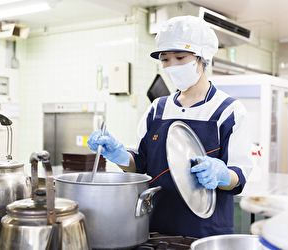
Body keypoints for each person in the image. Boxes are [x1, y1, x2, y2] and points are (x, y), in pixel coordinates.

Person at [88, 15, 253, 238]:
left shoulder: (228, 111)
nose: (172, 65)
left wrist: (221, 174)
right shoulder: (158, 109)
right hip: (155, 228)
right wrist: (119, 155)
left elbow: (238, 176)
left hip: (205, 232)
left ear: (202, 59)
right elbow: (140, 164)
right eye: (165, 59)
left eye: (180, 57)